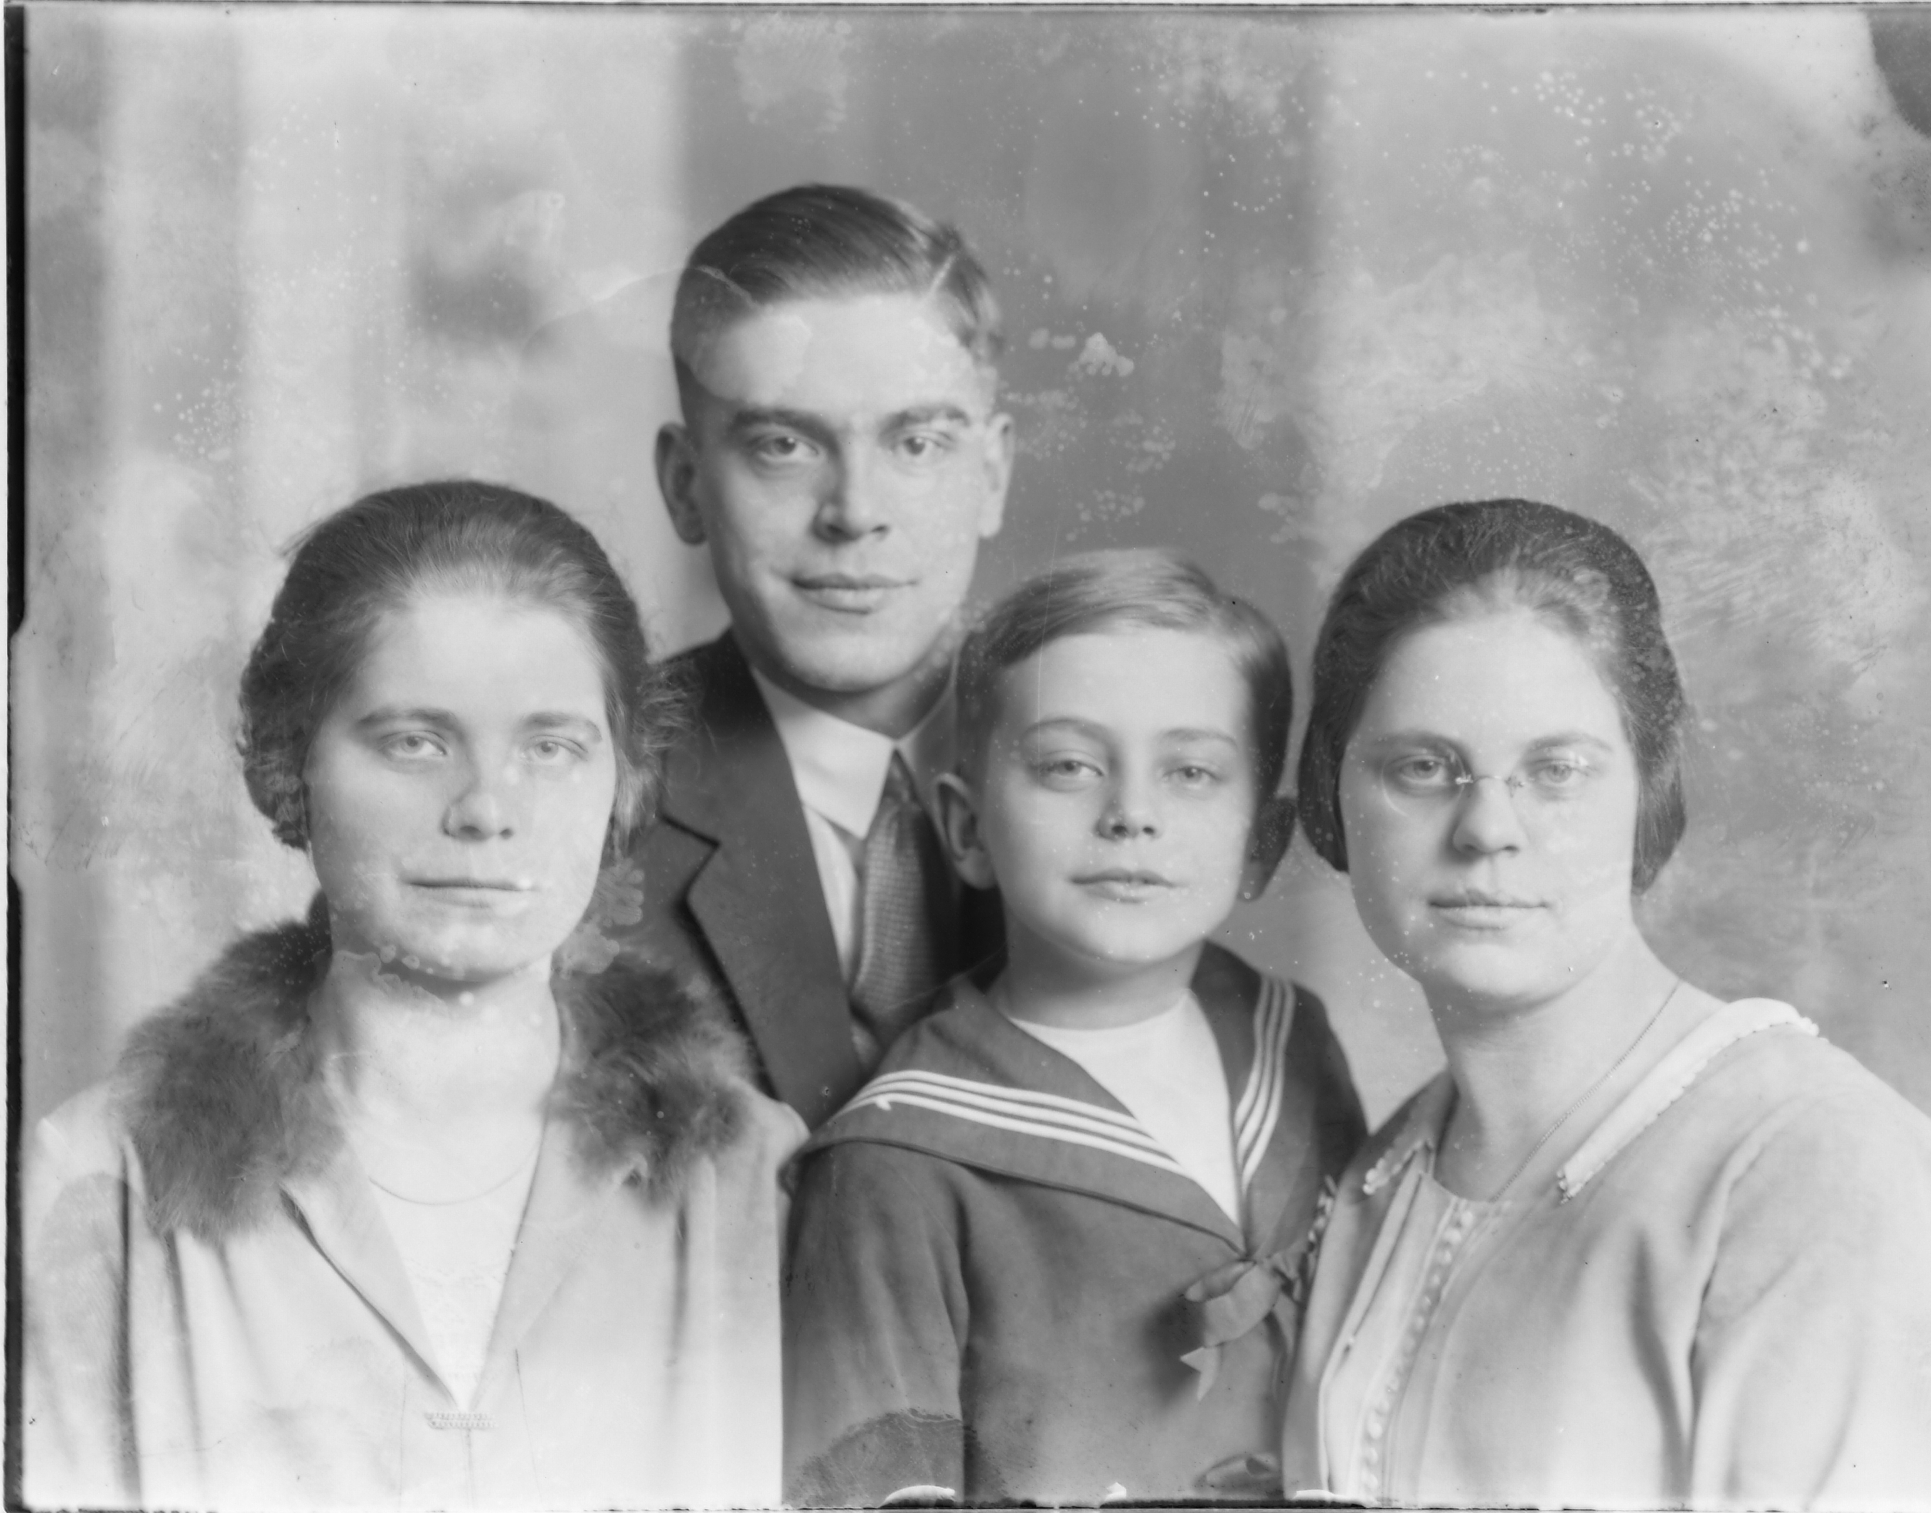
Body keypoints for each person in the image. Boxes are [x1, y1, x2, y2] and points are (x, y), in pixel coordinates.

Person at [22, 482, 800, 1510]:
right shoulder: (100, 1181)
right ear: (291, 761)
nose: (486, 808)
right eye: (414, 741)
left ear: (624, 780)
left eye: (551, 747)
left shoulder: (750, 1175)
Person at [1280, 498, 1931, 1508]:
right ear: (1334, 791)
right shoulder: (1385, 1177)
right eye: (1421, 766)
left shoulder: (1814, 1171)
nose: (1486, 827)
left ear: (1647, 791)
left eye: (1556, 770)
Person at [784, 550, 1367, 1505]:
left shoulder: (1293, 1040)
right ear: (967, 830)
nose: (1132, 814)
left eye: (1191, 771)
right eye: (1068, 766)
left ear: (1261, 843)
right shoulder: (894, 1164)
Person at [626, 184, 1013, 1128]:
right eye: (784, 445)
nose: (855, 512)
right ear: (685, 484)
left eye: (917, 442)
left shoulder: (1108, 771)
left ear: (992, 475)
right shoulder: (591, 806)